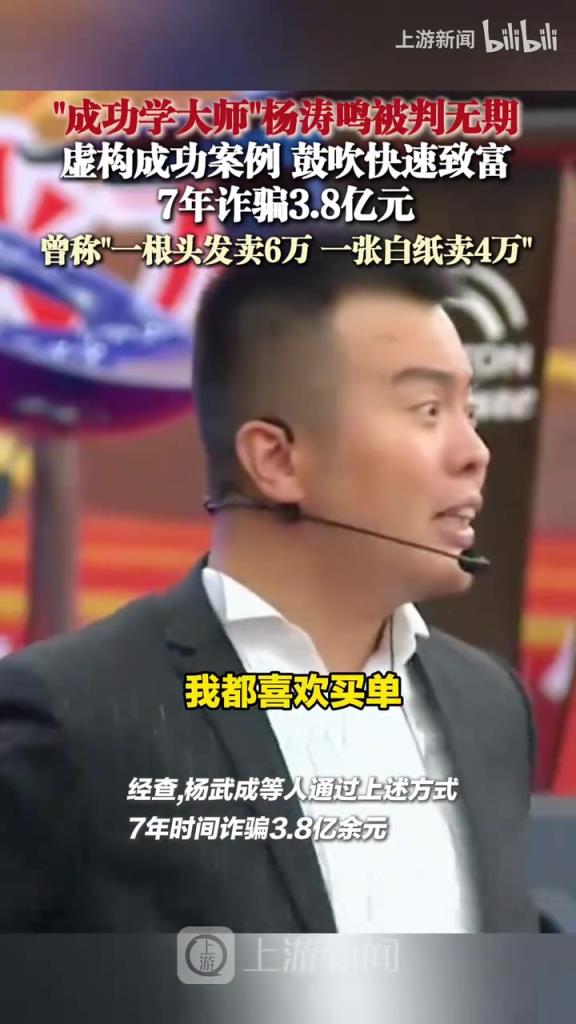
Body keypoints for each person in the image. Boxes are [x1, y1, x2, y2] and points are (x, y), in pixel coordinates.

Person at [0, 246, 541, 933]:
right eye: (428, 410)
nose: (475, 453)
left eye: (471, 411)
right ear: (276, 459)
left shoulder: (489, 707)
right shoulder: (72, 719)